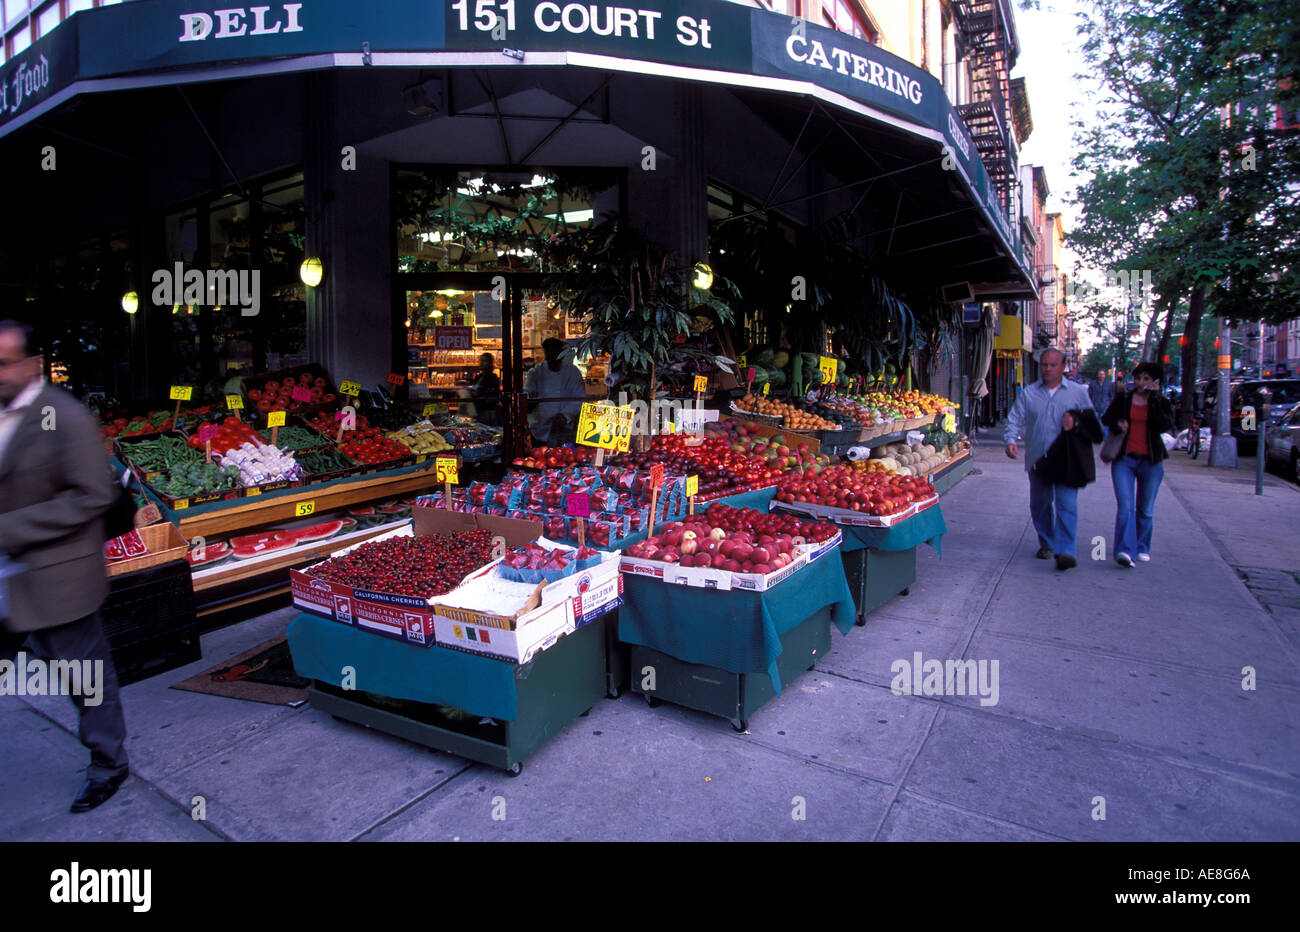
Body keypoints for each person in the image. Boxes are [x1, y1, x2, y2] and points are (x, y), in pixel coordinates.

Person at [0, 320, 126, 813]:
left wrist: (9, 529)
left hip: (57, 578)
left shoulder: (63, 416)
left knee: (86, 678)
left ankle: (109, 765)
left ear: (34, 364)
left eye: (5, 362)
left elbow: (93, 494)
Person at [1004, 348, 1096, 571]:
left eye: (1053, 365)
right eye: (1044, 364)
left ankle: (1066, 550)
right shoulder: (1029, 393)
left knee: (1067, 505)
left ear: (1062, 367)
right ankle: (1047, 542)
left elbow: (1092, 423)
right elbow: (1015, 419)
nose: (1047, 369)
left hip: (1067, 460)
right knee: (1040, 504)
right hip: (1039, 459)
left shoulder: (1077, 393)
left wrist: (1077, 425)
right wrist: (1010, 440)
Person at [1101, 362, 1176, 567]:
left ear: (1155, 382)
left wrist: (1155, 398)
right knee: (1126, 507)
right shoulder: (1124, 398)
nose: (1141, 383)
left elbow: (1165, 424)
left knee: (1146, 510)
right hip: (1124, 459)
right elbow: (1107, 417)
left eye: (1146, 379)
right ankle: (1125, 551)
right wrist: (1118, 423)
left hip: (1151, 461)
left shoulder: (1161, 402)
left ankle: (1142, 546)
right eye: (1138, 378)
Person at [524, 337, 585, 446]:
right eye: (549, 353)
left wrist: (565, 415)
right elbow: (527, 396)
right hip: (540, 428)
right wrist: (530, 400)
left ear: (562, 353)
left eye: (555, 352)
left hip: (564, 428)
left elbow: (579, 398)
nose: (551, 356)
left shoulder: (572, 372)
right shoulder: (536, 372)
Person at [469, 352, 501, 425]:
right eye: (481, 360)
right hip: (480, 410)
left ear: (490, 363)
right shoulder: (479, 377)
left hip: (488, 411)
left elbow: (495, 394)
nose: (482, 363)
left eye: (485, 361)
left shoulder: (492, 377)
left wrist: (479, 393)